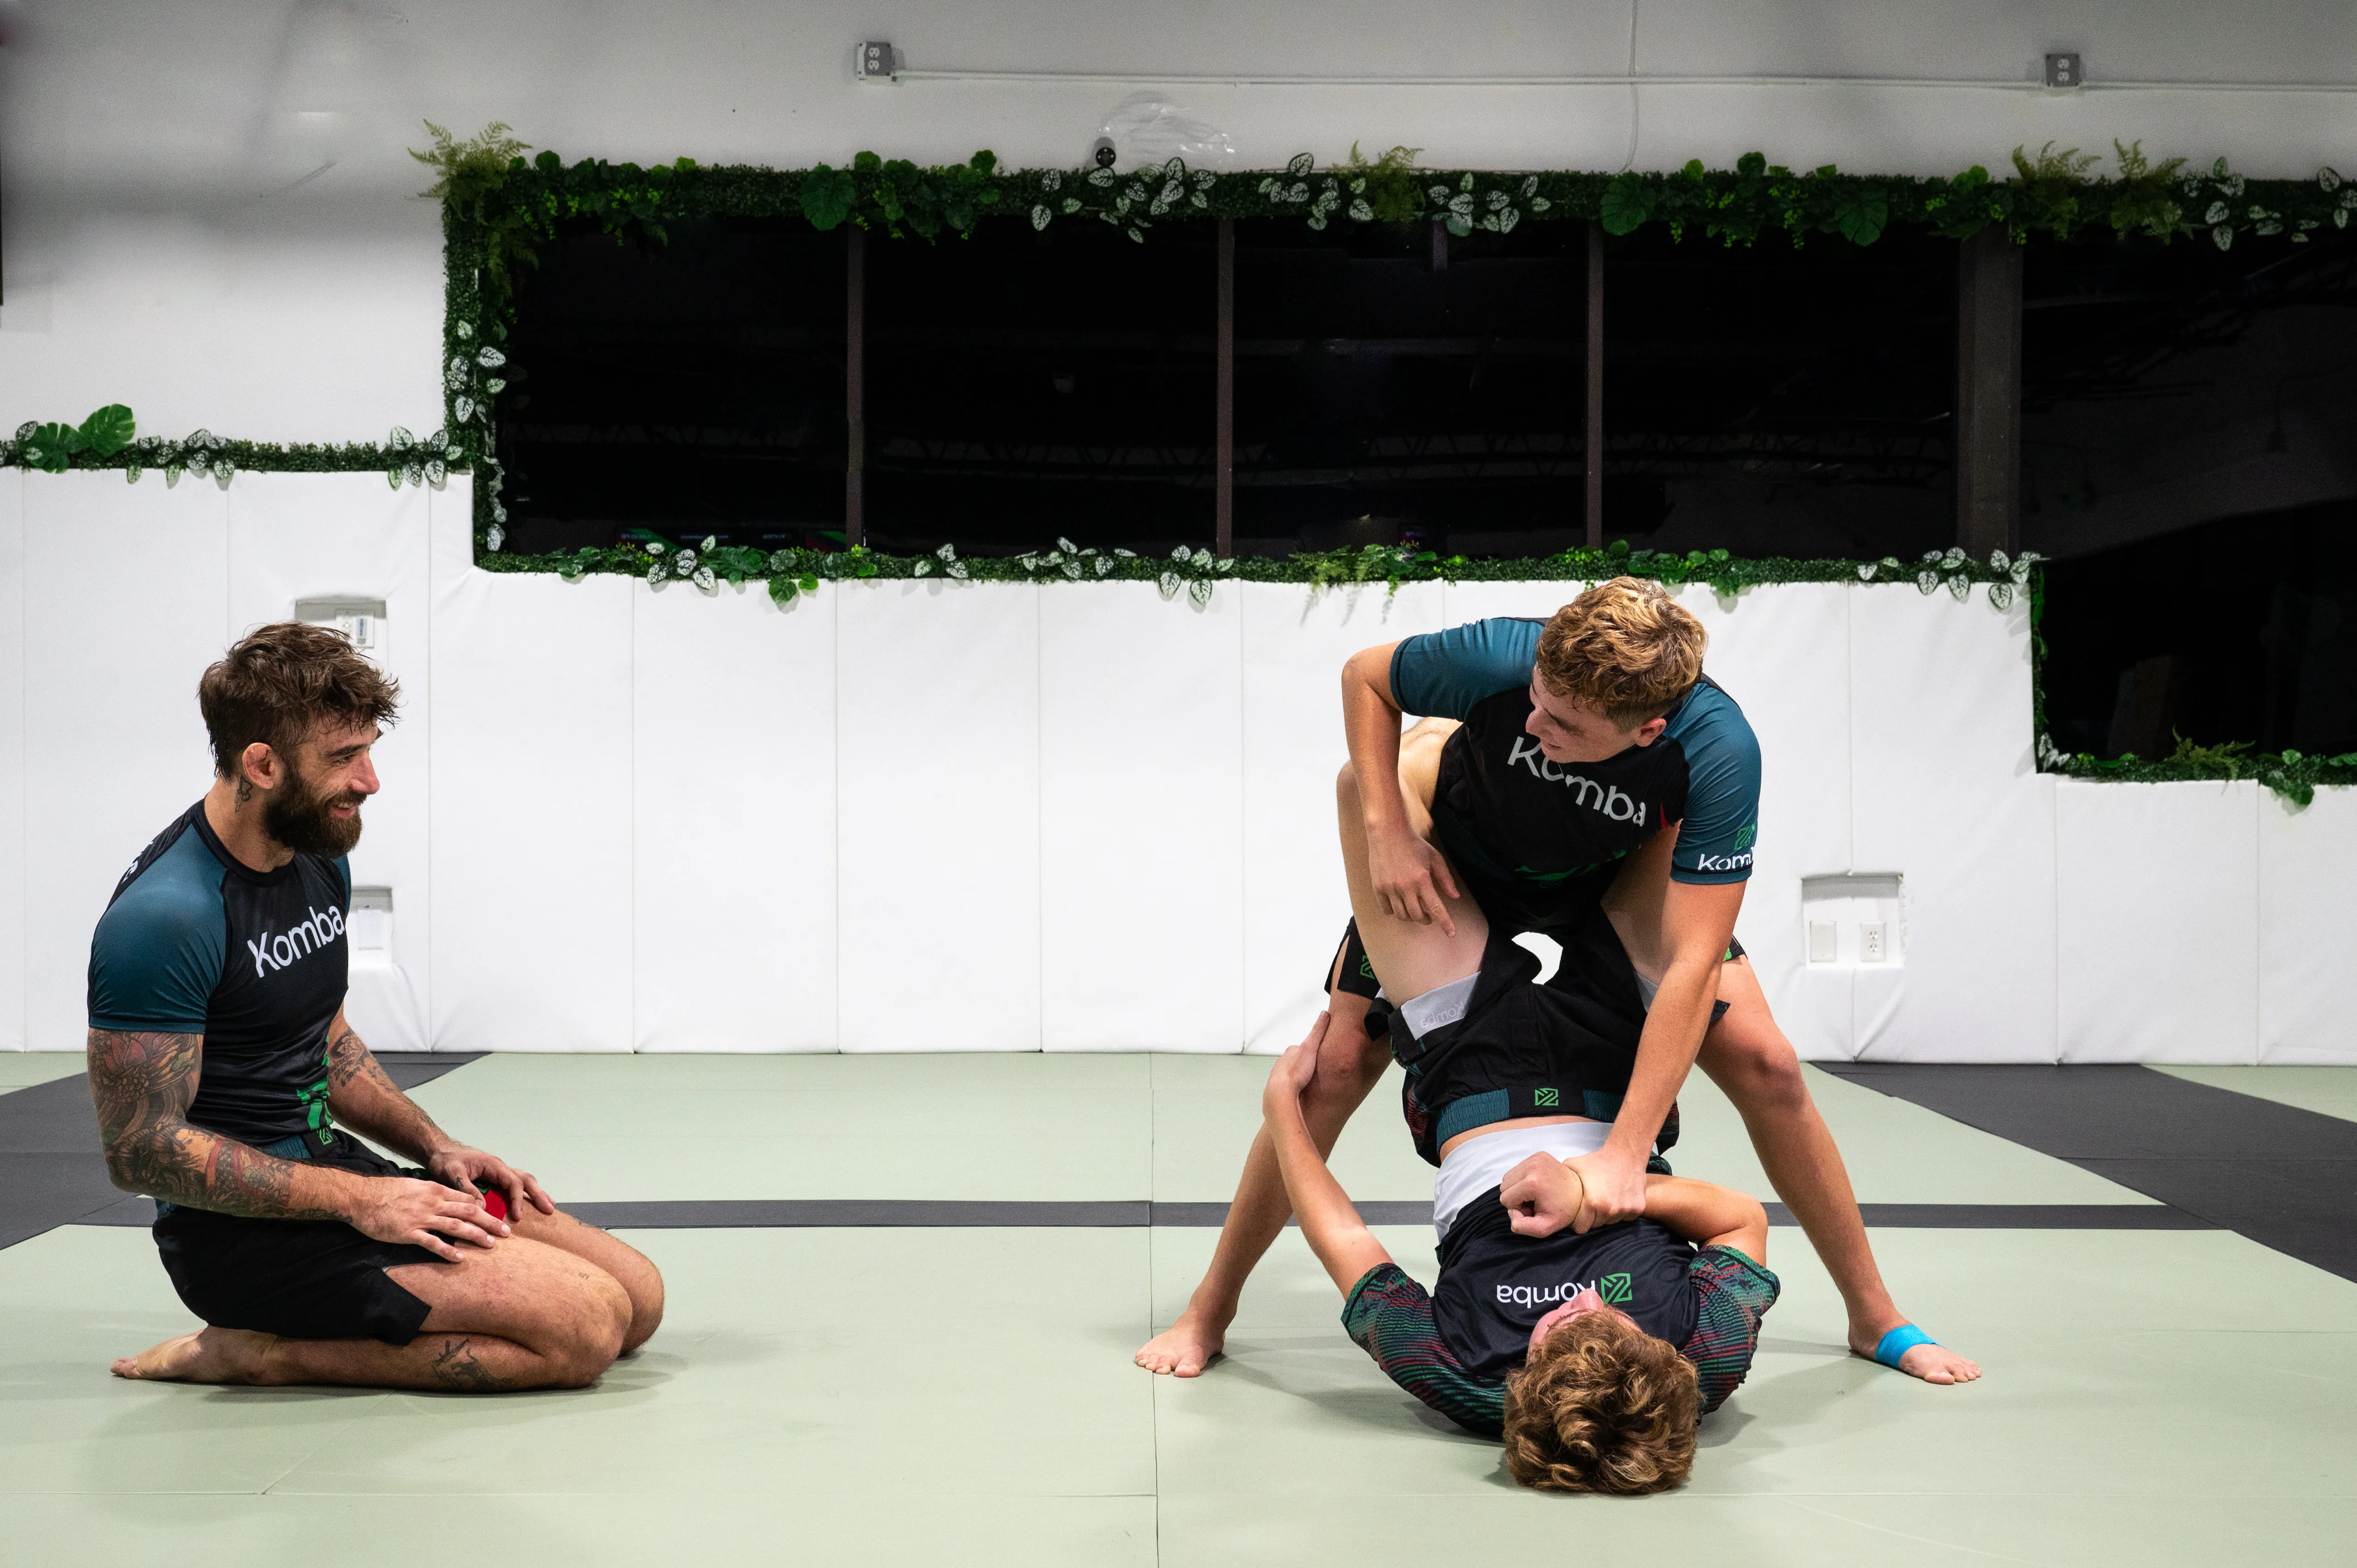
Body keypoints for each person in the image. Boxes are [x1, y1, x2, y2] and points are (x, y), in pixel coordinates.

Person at [1141, 578, 1977, 1386]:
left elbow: (1692, 963)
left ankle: (1874, 1316)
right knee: (1328, 1070)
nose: (1533, 719)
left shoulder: (1718, 749)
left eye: (1563, 722)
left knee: (1770, 1064)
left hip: (1607, 877)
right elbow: (1365, 674)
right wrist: (1388, 831)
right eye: (1535, 700)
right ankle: (1209, 1310)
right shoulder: (1505, 657)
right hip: (1455, 856)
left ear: (1646, 730)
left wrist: (1622, 1161)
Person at [91, 623, 662, 1391]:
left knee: (639, 1300)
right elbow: (142, 1152)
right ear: (261, 764)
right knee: (585, 1330)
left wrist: (435, 1148)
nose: (369, 781)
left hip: (340, 1178)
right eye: (343, 757)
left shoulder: (315, 856)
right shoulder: (165, 918)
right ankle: (252, 1353)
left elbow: (327, 1042)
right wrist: (361, 1201)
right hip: (241, 1239)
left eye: (369, 750)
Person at [1254, 805, 1775, 1492]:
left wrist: (1282, 1112)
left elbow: (1347, 1241)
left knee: (1369, 799)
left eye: (1557, 1327)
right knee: (1674, 811)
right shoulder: (1702, 1359)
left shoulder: (1462, 1372)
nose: (1585, 1301)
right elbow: (1743, 1221)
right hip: (1620, 1064)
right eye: (1615, 1319)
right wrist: (1590, 1191)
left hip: (1467, 1061)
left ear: (1520, 1379)